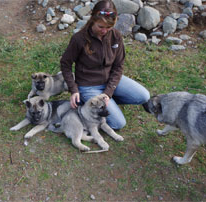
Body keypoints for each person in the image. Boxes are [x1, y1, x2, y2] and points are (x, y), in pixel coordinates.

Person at [60, 0, 150, 130]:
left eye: (109, 27)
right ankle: (89, 102)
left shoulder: (116, 36)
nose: (104, 31)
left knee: (144, 96)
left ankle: (103, 102)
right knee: (118, 124)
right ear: (92, 20)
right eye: (100, 26)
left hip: (110, 80)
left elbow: (118, 66)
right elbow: (65, 64)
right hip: (88, 86)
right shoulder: (78, 39)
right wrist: (73, 89)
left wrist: (108, 92)